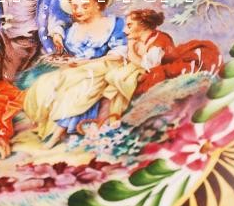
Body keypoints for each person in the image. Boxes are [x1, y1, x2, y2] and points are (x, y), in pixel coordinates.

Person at [24, 8, 173, 148]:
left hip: (131, 71)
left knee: (90, 86)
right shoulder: (76, 28)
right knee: (58, 82)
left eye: (129, 26)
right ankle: (49, 125)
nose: (125, 30)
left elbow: (147, 66)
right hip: (105, 66)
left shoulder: (156, 41)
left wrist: (128, 49)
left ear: (143, 26)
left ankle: (63, 132)